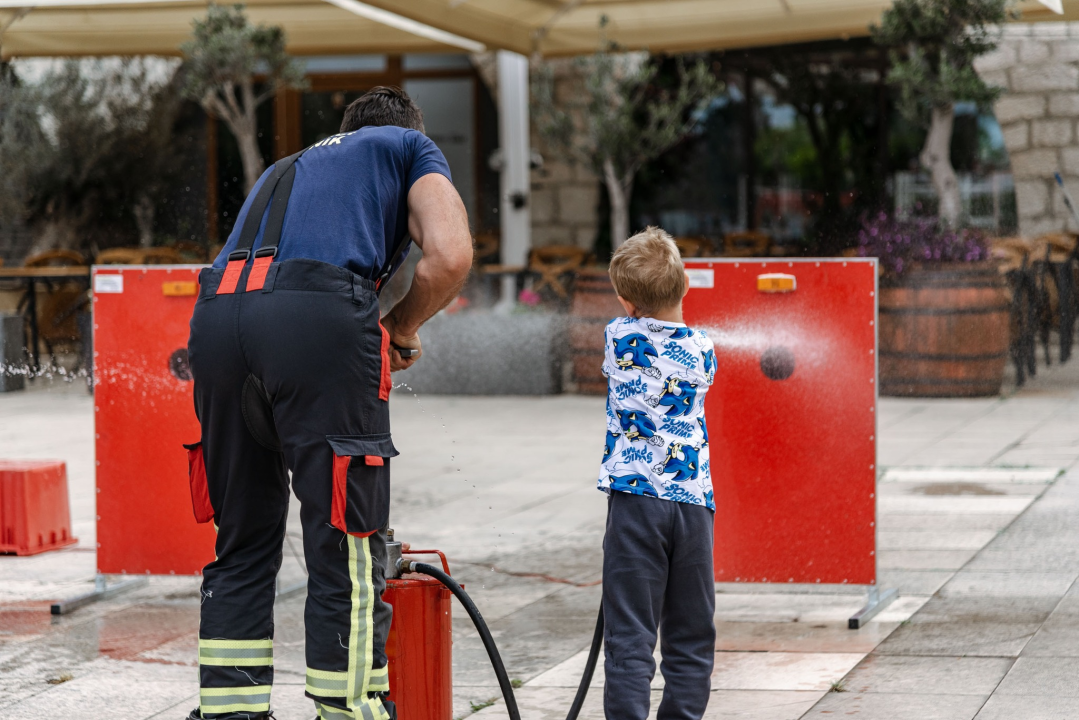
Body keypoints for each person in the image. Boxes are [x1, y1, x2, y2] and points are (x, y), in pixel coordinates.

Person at [184, 86, 473, 720]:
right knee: (345, 534)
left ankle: (230, 712)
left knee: (242, 541)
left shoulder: (290, 164)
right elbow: (450, 256)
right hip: (315, 316)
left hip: (215, 317)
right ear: (409, 128)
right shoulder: (408, 146)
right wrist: (400, 325)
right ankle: (351, 710)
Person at [598, 227, 717, 720]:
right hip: (693, 507)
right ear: (685, 286)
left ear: (626, 302)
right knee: (691, 635)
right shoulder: (706, 348)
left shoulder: (618, 335)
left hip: (635, 505)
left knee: (630, 635)